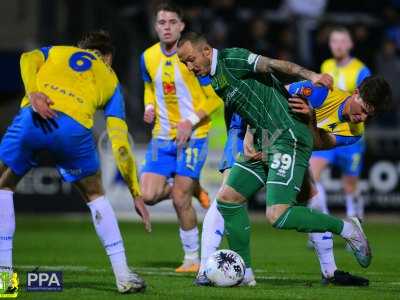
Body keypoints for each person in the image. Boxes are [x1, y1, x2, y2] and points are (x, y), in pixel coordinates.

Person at [177, 32, 391, 282]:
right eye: (363, 109)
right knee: (227, 199)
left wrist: (310, 119)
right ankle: (244, 272)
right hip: (266, 134)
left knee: (281, 212)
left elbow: (316, 142)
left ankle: (344, 234)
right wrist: (250, 135)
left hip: (292, 140)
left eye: (369, 116)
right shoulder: (321, 93)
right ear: (355, 93)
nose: (362, 118)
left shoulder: (354, 132)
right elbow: (274, 92)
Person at [0, 31, 147, 294]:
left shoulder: (57, 51)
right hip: (74, 130)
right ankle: (124, 276)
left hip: (32, 119)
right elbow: (120, 145)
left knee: (4, 185)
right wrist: (135, 191)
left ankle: (4, 281)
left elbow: (26, 58)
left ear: (81, 48)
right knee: (94, 194)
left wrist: (33, 92)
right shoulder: (111, 79)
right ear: (108, 57)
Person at [138, 3, 222, 273]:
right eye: (161, 22)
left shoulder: (193, 57)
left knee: (179, 198)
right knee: (147, 196)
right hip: (161, 136)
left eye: (172, 22)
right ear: (155, 27)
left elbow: (214, 98)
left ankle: (192, 258)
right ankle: (194, 188)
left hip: (194, 135)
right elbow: (149, 87)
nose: (166, 27)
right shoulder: (147, 57)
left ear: (182, 26)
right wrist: (149, 107)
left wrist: (191, 121)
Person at [311, 26, 371, 221]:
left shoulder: (361, 71)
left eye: (343, 41)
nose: (338, 45)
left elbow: (368, 104)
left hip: (350, 137)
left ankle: (355, 223)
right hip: (327, 130)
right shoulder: (326, 65)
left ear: (351, 44)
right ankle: (323, 225)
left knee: (349, 186)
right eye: (334, 41)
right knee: (312, 175)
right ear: (329, 44)